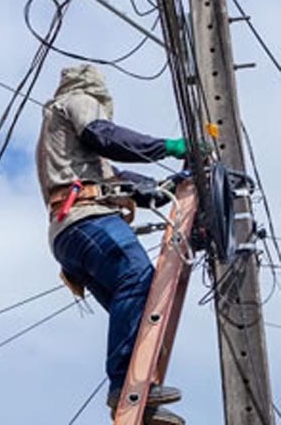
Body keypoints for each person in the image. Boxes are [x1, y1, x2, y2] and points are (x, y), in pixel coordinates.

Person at [36, 65, 186, 425]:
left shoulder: (77, 154)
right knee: (136, 277)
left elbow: (130, 185)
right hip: (86, 220)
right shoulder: (76, 100)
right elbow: (105, 136)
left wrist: (173, 184)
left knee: (139, 305)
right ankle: (125, 386)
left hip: (72, 233)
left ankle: (138, 401)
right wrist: (167, 147)